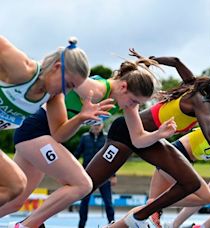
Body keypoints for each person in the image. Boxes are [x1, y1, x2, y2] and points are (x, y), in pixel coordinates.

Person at [86, 50, 210, 228]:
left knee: (196, 188)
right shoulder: (200, 99)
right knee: (86, 185)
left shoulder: (196, 89)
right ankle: (138, 216)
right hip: (127, 133)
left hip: (152, 140)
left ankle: (140, 216)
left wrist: (150, 60)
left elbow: (176, 62)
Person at [0, 51, 165, 227]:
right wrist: (61, 61)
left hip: (47, 137)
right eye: (133, 101)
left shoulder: (125, 101)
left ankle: (27, 223)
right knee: (82, 184)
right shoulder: (96, 89)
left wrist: (159, 134)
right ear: (123, 87)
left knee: (14, 202)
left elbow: (138, 139)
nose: (133, 106)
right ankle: (26, 225)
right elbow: (71, 75)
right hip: (36, 130)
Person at [0, 36, 116, 227]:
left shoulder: (53, 96)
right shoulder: (22, 69)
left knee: (15, 187)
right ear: (56, 67)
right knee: (17, 184)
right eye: (69, 84)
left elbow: (59, 135)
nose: (67, 91)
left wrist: (80, 118)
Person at [74, 123, 116, 228]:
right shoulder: (85, 138)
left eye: (99, 124)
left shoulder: (107, 138)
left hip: (104, 175)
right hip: (87, 176)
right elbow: (76, 155)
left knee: (108, 203)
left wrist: (114, 175)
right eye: (95, 124)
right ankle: (81, 225)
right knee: (84, 203)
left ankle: (113, 224)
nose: (97, 126)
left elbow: (113, 158)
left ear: (102, 125)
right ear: (91, 125)